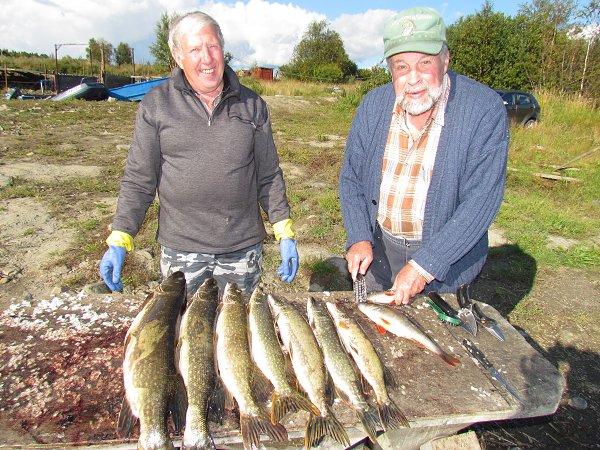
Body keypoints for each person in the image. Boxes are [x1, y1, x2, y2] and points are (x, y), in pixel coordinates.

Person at [99, 11, 299, 295]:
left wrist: (284, 231)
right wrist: (120, 237)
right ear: (178, 57)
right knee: (185, 321)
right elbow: (139, 178)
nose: (207, 58)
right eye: (195, 49)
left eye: (213, 46)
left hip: (241, 249)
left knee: (238, 321)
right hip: (181, 250)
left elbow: (268, 175)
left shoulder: (253, 105)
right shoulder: (156, 104)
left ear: (223, 49)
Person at [339, 7, 509, 305]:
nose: (413, 78)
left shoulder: (483, 109)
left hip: (449, 261)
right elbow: (351, 178)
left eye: (425, 63)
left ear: (445, 60)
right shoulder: (372, 105)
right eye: (402, 66)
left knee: (435, 332)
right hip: (380, 253)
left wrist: (424, 266)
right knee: (374, 329)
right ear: (390, 69)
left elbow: (481, 201)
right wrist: (359, 236)